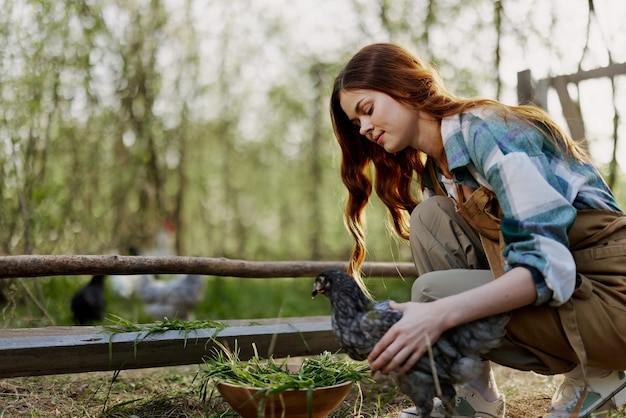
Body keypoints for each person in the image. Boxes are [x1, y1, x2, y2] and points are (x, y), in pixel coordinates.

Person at [329, 42, 626, 418]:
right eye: (357, 124)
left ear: (404, 86)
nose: (366, 128)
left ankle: (601, 370)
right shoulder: (437, 172)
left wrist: (437, 315)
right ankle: (477, 394)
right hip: (577, 293)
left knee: (432, 294)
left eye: (367, 110)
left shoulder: (488, 132)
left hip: (612, 296)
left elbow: (547, 269)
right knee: (429, 219)